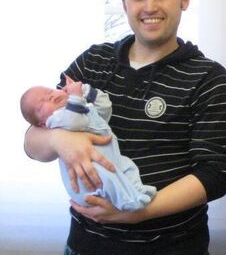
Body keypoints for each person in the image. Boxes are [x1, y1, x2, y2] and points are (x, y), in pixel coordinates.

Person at [22, 0, 226, 255]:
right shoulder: (92, 63)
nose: (149, 6)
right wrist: (59, 139)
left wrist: (136, 213)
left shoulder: (208, 77)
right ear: (124, 2)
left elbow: (214, 175)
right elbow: (32, 140)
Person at [20, 77, 157, 211]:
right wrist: (75, 96)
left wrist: (85, 90)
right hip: (89, 172)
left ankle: (137, 190)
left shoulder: (80, 106)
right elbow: (74, 121)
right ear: (42, 123)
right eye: (41, 104)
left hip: (111, 159)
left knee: (128, 166)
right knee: (108, 178)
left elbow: (105, 108)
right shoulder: (55, 120)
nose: (49, 97)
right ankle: (128, 200)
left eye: (49, 91)